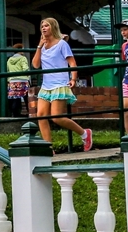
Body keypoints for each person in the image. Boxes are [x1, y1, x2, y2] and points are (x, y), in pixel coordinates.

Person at [32, 17, 93, 151]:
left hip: (59, 83)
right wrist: (39, 46)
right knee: (40, 116)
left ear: (53, 27)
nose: (43, 28)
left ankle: (84, 133)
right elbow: (36, 65)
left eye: (46, 25)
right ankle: (48, 147)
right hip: (46, 85)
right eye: (42, 26)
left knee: (56, 117)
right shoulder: (42, 46)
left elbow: (72, 63)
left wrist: (73, 78)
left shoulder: (62, 44)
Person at [6, 43, 30, 118]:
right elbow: (25, 69)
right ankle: (30, 113)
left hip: (12, 81)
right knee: (27, 98)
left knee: (15, 98)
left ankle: (15, 114)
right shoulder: (23, 58)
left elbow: (7, 70)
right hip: (23, 80)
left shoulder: (9, 60)